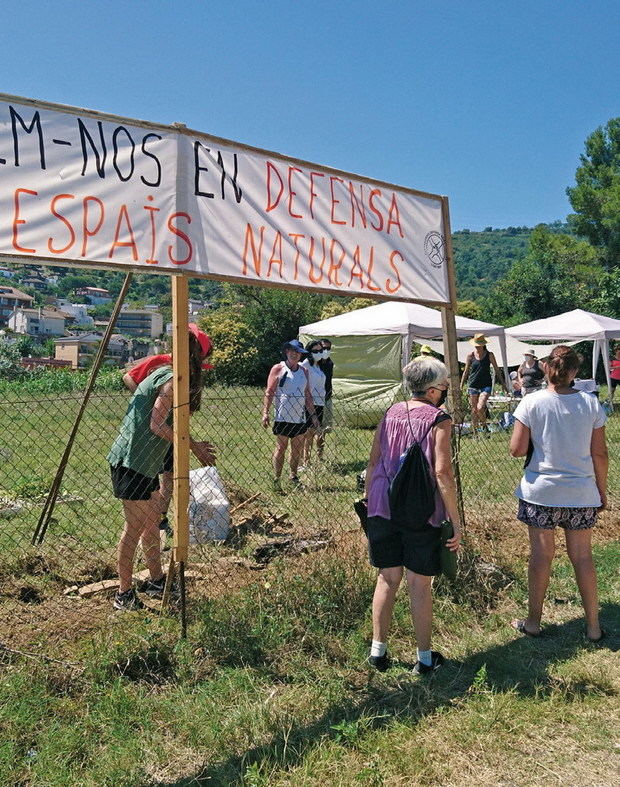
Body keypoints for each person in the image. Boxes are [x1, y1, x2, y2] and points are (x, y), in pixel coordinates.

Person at [365, 356, 461, 674]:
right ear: (433, 390)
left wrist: (370, 500)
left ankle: (378, 652)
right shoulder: (439, 419)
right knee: (420, 585)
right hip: (420, 510)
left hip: (381, 505)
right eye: (445, 386)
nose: (446, 391)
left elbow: (372, 462)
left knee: (387, 578)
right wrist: (455, 523)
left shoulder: (390, 412)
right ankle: (424, 658)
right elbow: (443, 473)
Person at [108, 331, 216, 610]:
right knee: (134, 528)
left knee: (153, 521)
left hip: (145, 462)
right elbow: (157, 425)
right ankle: (124, 594)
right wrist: (193, 446)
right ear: (196, 358)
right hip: (132, 462)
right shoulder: (170, 380)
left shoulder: (168, 373)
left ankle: (157, 581)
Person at [509, 346, 608, 641]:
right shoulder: (591, 405)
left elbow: (516, 450)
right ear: (575, 372)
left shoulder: (532, 402)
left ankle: (534, 621)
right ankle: (593, 626)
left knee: (541, 557)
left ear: (545, 369)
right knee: (583, 558)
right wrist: (601, 492)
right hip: (581, 493)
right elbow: (600, 454)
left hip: (541, 493)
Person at [122, 325, 214, 535]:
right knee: (153, 477)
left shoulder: (188, 373)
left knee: (170, 473)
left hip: (171, 431)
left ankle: (160, 516)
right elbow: (128, 377)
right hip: (155, 432)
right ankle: (155, 519)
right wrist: (144, 400)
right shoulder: (163, 365)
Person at [262, 339, 320, 491]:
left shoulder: (303, 371)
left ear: (301, 355)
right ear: (287, 352)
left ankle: (293, 476)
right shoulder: (278, 368)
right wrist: (265, 413)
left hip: (299, 416)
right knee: (281, 447)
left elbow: (307, 394)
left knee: (297, 448)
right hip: (282, 416)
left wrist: (313, 416)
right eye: (292, 351)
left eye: (298, 352)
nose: (295, 354)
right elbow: (269, 392)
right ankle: (276, 478)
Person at [460, 333, 506, 433]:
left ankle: (484, 426)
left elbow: (497, 369)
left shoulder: (489, 355)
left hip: (486, 385)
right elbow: (466, 371)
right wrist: (461, 385)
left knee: (480, 407)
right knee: (474, 410)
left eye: (479, 343)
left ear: (483, 344)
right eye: (476, 343)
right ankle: (475, 432)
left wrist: (503, 383)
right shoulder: (470, 355)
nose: (477, 345)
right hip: (473, 384)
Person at [300, 339, 327, 464]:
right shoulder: (305, 365)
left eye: (320, 350)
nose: (318, 353)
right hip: (309, 402)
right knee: (309, 432)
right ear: (309, 352)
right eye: (315, 351)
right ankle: (306, 460)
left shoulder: (319, 366)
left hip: (320, 402)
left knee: (317, 430)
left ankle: (316, 458)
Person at [317, 338, 334, 431]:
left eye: (328, 348)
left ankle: (320, 445)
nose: (326, 351)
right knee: (313, 428)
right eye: (324, 348)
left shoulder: (330, 363)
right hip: (315, 399)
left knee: (325, 428)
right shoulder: (314, 363)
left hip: (327, 397)